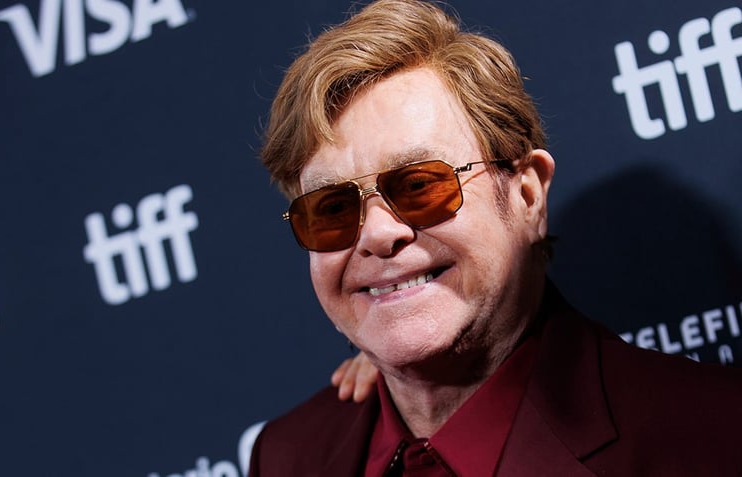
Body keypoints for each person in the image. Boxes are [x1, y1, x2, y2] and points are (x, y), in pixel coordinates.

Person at [248, 0, 742, 475]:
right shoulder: (287, 457)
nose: (377, 234)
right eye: (333, 208)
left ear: (527, 197)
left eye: (420, 185)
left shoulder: (714, 437)